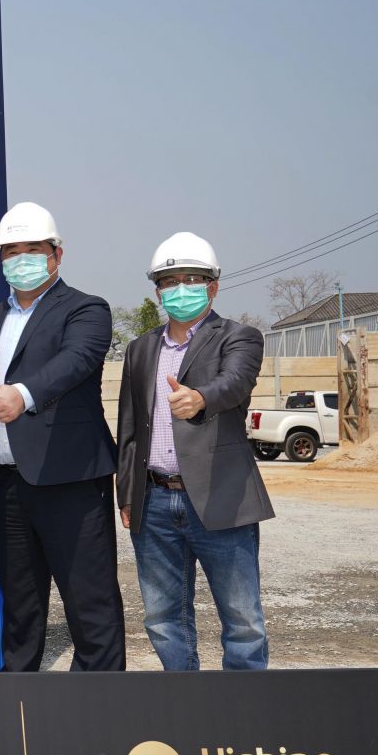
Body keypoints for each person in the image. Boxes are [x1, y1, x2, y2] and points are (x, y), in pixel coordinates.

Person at [0, 202, 125, 672]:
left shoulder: (86, 309)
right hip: (9, 483)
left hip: (70, 479)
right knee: (20, 605)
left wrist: (24, 394)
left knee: (89, 603)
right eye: (11, 251)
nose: (22, 260)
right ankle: (19, 701)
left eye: (33, 249)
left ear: (57, 255)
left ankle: (100, 704)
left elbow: (76, 360)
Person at [118, 232, 273, 670]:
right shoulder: (141, 348)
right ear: (158, 291)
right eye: (170, 281)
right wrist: (127, 494)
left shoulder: (239, 337)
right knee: (163, 618)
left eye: (192, 279)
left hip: (222, 497)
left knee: (242, 620)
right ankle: (184, 699)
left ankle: (243, 705)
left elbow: (235, 382)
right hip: (154, 501)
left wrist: (201, 398)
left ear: (213, 286)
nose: (180, 288)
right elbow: (130, 426)